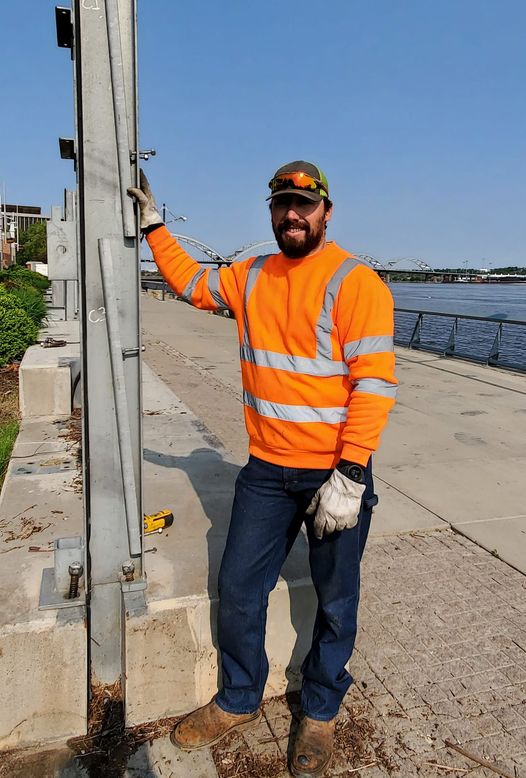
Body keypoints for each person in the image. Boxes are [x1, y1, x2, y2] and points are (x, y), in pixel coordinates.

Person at [128, 161, 397, 778]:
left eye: (304, 204)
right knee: (241, 587)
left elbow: (375, 385)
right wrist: (153, 227)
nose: (292, 214)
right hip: (267, 472)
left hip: (334, 474)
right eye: (281, 204)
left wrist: (351, 475)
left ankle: (321, 712)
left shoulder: (356, 283)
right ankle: (239, 699)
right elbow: (193, 284)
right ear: (270, 212)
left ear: (326, 211)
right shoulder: (249, 276)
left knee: (336, 597)